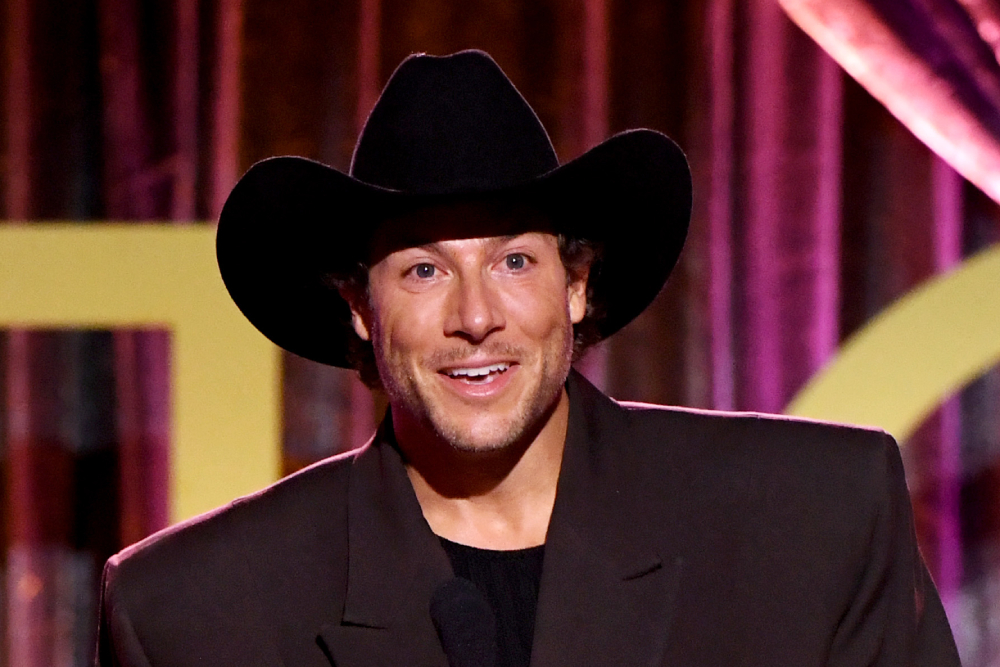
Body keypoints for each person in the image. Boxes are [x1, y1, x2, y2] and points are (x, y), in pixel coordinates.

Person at [96, 50, 960, 667]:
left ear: (577, 287)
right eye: (425, 270)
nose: (476, 316)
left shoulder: (816, 520)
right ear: (360, 308)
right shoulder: (191, 611)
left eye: (514, 261)